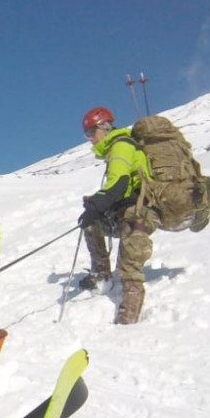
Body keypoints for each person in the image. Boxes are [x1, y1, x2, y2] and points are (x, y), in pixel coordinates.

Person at [76, 106, 153, 324]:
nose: (90, 139)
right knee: (92, 223)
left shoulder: (121, 146)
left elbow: (119, 184)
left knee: (129, 263)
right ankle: (102, 277)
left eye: (92, 133)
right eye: (87, 135)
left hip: (141, 210)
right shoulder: (116, 149)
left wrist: (97, 206)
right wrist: (95, 206)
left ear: (104, 127)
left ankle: (127, 321)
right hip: (128, 208)